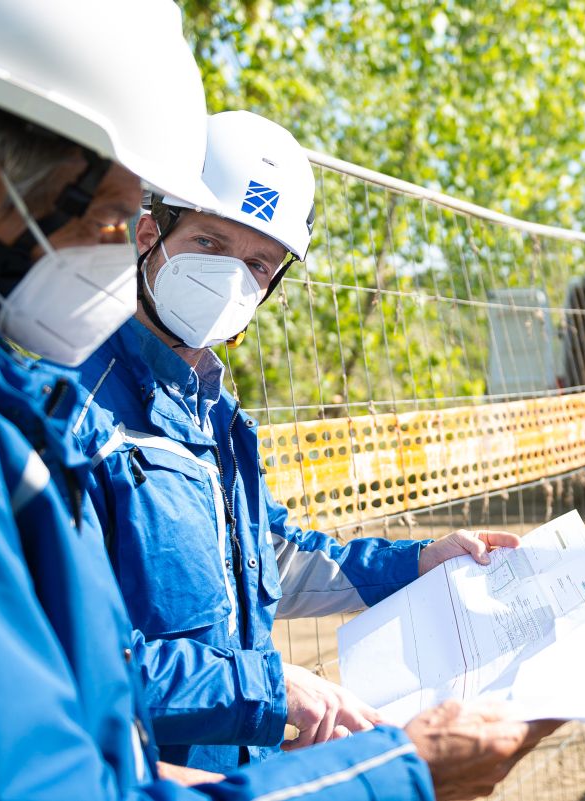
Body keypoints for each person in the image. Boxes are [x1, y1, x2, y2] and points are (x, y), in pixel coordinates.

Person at [0, 1, 552, 798]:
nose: (121, 246)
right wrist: (390, 771)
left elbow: (252, 565)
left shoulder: (161, 411)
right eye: (118, 217)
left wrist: (413, 562)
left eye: (259, 264)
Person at [73, 109, 523, 772]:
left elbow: (271, 560)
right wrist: (271, 688)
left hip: (235, 773)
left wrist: (418, 561)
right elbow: (68, 657)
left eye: (259, 263)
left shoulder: (218, 416)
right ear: (148, 234)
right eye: (212, 244)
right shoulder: (75, 411)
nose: (233, 276)